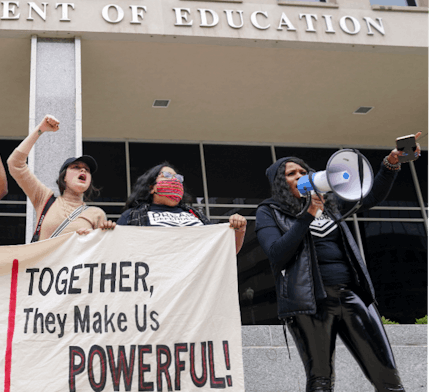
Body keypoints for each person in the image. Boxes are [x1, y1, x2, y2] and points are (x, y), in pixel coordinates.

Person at [255, 134, 421, 392]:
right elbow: (277, 254)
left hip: (353, 295)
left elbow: (371, 195)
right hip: (310, 302)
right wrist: (306, 217)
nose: (300, 175)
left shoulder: (331, 205)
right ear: (280, 183)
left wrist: (391, 163)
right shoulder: (270, 211)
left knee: (388, 378)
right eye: (291, 174)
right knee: (321, 381)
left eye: (303, 171)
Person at [7, 115, 115, 241]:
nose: (83, 170)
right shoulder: (44, 199)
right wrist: (40, 129)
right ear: (64, 177)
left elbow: (100, 254)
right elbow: (15, 164)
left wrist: (103, 236)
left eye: (87, 170)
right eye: (76, 167)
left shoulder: (97, 214)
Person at [117, 162, 247, 253]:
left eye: (178, 178)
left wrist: (239, 231)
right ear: (152, 187)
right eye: (167, 175)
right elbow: (116, 251)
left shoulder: (196, 215)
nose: (174, 180)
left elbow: (223, 253)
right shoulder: (132, 216)